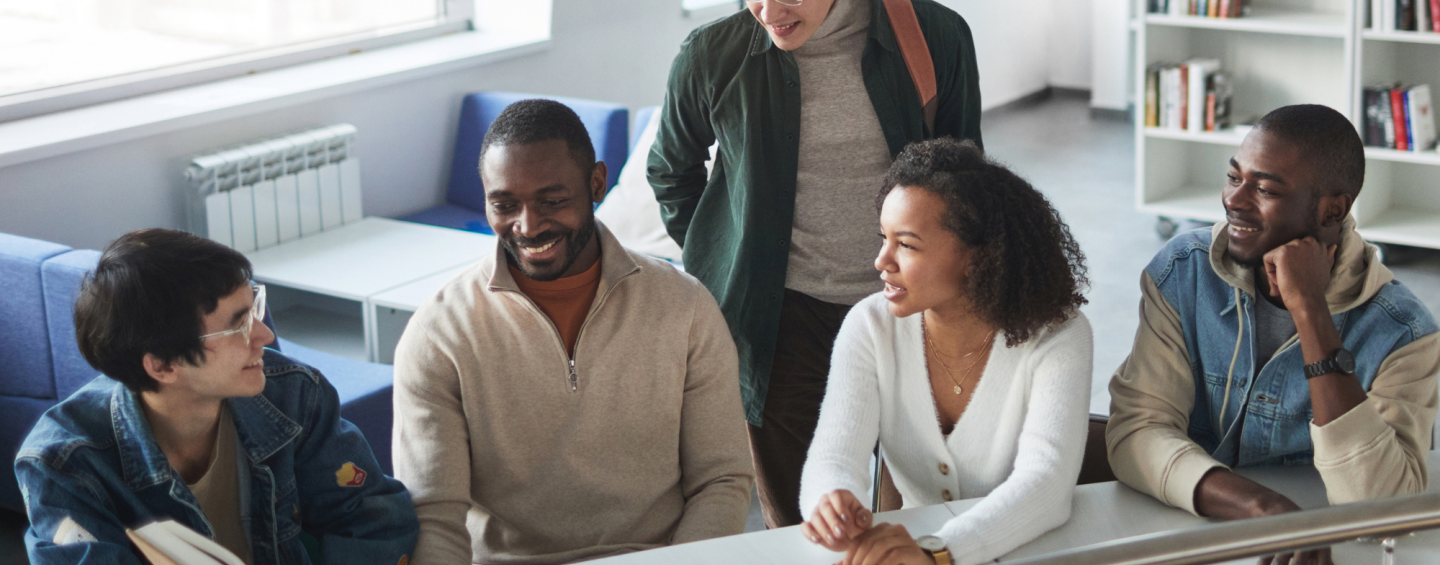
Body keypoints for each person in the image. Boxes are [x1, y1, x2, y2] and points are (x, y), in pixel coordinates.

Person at [648, 0, 984, 528]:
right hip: (781, 322)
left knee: (922, 517)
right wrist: (722, 256)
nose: (768, 10)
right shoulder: (712, 54)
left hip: (908, 314)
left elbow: (969, 180)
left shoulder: (934, 36)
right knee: (803, 524)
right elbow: (670, 168)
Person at [392, 99, 754, 564]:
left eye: (553, 201)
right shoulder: (438, 333)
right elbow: (434, 515)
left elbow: (721, 481)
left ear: (596, 183)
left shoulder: (685, 307)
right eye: (504, 205)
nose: (527, 225)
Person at [1107, 104, 1440, 565]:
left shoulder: (1406, 334)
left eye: (1264, 188)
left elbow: (1382, 507)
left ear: (1332, 210)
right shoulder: (1182, 273)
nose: (1234, 200)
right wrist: (1265, 509)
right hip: (1196, 535)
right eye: (1233, 177)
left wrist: (1309, 310)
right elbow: (1137, 433)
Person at [16, 229, 418, 565]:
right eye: (238, 326)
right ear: (163, 367)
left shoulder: (293, 394)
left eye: (255, 310)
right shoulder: (63, 466)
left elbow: (372, 518)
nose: (266, 336)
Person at [798, 138, 1092, 565]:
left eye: (907, 244)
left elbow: (1046, 485)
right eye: (884, 238)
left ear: (975, 258)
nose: (882, 260)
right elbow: (832, 456)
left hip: (1026, 552)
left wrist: (940, 552)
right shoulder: (869, 325)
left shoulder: (1059, 334)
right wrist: (832, 500)